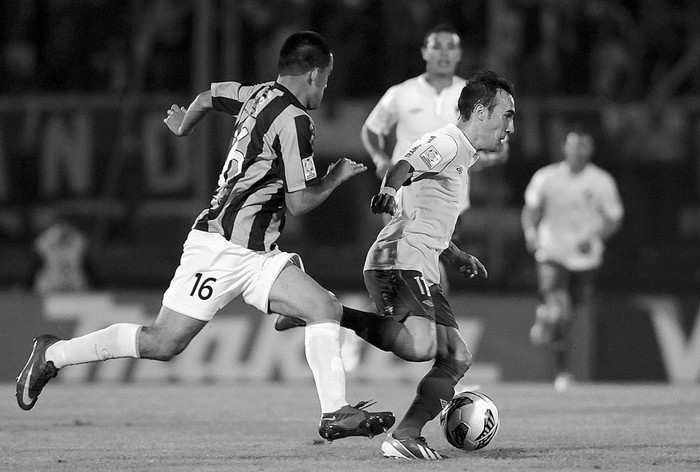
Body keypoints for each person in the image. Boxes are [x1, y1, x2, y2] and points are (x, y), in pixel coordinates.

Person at [15, 31, 394, 443]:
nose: (325, 88)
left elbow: (207, 97)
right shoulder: (296, 121)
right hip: (220, 249)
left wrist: (184, 128)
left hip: (255, 253)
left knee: (324, 307)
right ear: (315, 74)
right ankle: (54, 353)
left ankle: (334, 413)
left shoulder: (256, 94)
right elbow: (300, 202)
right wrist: (335, 177)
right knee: (163, 342)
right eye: (326, 79)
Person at [277, 70, 515, 459]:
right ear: (481, 111)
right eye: (506, 115)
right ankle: (328, 313)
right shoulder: (448, 142)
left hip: (421, 263)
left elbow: (424, 212)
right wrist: (387, 190)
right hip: (399, 260)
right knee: (422, 346)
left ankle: (406, 434)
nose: (510, 126)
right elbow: (405, 164)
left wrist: (453, 253)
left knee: (457, 357)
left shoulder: (461, 154)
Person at [521, 126, 623, 392]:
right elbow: (531, 208)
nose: (578, 150)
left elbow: (614, 218)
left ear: (591, 149)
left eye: (583, 145)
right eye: (574, 145)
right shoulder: (546, 178)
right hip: (552, 253)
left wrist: (596, 238)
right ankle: (563, 373)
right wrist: (531, 231)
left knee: (571, 312)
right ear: (565, 147)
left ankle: (545, 315)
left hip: (585, 259)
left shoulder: (602, 182)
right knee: (561, 310)